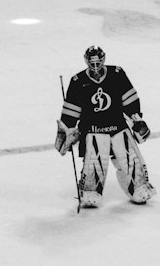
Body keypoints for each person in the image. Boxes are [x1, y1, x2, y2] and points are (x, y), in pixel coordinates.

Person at [57, 45, 154, 208]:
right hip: (93, 130)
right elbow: (71, 110)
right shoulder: (77, 81)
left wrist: (135, 118)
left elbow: (129, 99)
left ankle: (139, 186)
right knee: (94, 161)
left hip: (118, 127)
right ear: (86, 61)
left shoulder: (117, 74)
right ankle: (90, 191)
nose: (95, 66)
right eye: (92, 62)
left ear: (104, 59)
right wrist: (67, 131)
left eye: (98, 62)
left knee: (130, 159)